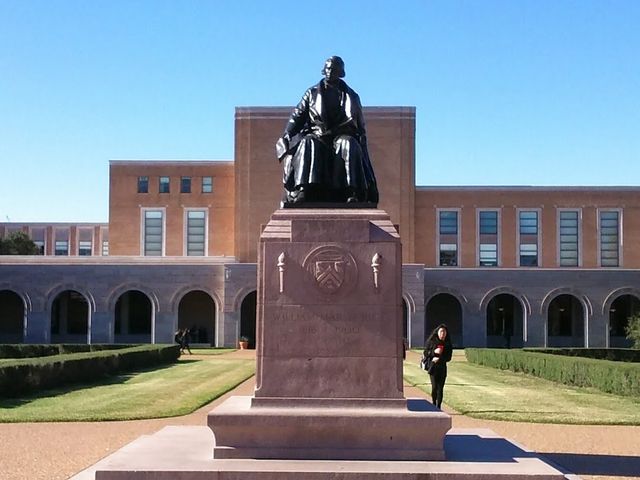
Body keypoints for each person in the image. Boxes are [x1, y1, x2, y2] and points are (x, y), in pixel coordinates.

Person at [276, 56, 378, 204]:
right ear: (324, 71)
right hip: (318, 135)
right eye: (328, 68)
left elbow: (360, 126)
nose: (331, 72)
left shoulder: (352, 96)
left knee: (349, 144)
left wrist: (361, 141)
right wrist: (287, 134)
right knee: (308, 142)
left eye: (335, 69)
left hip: (341, 135)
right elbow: (297, 116)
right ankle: (304, 190)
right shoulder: (311, 93)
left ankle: (352, 192)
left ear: (341, 72)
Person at [423, 324, 453, 409]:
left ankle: (438, 406)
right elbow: (426, 353)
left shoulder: (447, 344)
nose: (443, 334)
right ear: (438, 332)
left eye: (444, 332)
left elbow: (449, 357)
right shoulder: (432, 341)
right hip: (433, 368)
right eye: (441, 331)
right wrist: (434, 353)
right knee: (434, 387)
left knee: (440, 388)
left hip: (442, 368)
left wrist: (440, 359)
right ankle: (433, 403)